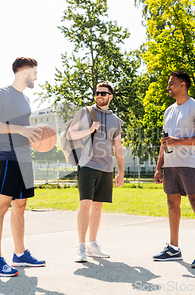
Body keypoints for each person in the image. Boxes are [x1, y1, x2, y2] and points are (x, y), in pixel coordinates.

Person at [0, 57, 46, 277]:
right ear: (24, 72)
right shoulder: (2, 94)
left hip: (24, 158)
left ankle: (19, 254)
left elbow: (23, 130)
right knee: (1, 206)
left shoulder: (25, 100)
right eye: (34, 72)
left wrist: (34, 137)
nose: (37, 77)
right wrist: (20, 129)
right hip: (8, 157)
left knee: (20, 204)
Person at [153, 71, 195, 269]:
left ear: (183, 85)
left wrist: (179, 142)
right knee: (172, 204)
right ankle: (173, 248)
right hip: (170, 165)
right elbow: (165, 140)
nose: (168, 87)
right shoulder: (169, 111)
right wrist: (159, 165)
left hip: (189, 164)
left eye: (171, 83)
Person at [67, 82, 124, 263]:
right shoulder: (85, 113)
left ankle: (92, 245)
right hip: (87, 165)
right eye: (97, 93)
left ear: (110, 96)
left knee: (98, 207)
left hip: (106, 168)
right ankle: (81, 247)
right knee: (85, 204)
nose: (99, 96)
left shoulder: (116, 120)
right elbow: (70, 135)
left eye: (103, 93)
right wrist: (89, 130)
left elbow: (118, 147)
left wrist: (121, 171)